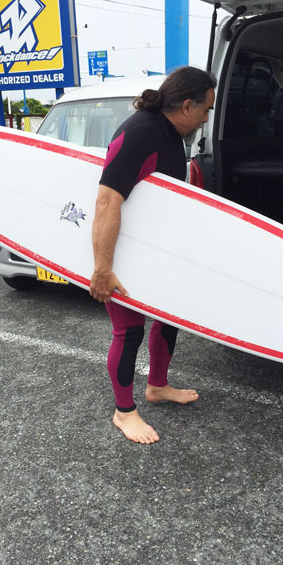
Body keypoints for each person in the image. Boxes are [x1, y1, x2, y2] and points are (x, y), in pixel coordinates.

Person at [90, 66, 217, 444]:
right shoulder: (140, 133)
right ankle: (123, 412)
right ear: (187, 105)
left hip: (155, 252)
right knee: (129, 331)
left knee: (168, 319)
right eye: (206, 110)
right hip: (123, 253)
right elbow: (106, 201)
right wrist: (103, 268)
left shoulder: (171, 133)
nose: (206, 119)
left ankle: (157, 386)